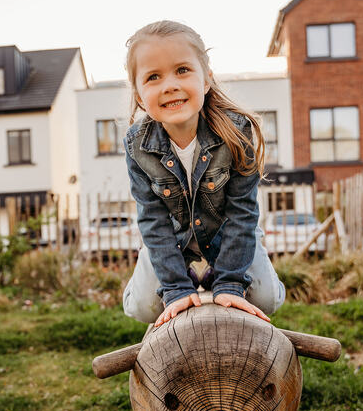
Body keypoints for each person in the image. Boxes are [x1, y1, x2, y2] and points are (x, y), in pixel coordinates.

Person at [122, 20, 285, 327]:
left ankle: (218, 273)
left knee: (265, 299)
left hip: (227, 231)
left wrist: (231, 283)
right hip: (172, 237)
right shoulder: (137, 144)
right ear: (140, 96)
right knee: (145, 309)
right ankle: (180, 276)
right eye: (153, 77)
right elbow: (153, 220)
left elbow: (241, 212)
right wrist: (175, 289)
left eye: (182, 70)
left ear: (206, 80)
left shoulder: (236, 133)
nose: (169, 84)